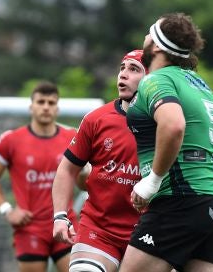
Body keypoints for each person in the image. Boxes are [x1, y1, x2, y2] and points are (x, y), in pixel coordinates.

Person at [121, 13, 213, 272]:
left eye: (150, 32)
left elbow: (174, 126)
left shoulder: (158, 79)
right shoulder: (199, 83)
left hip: (181, 201)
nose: (145, 36)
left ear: (158, 46)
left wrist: (152, 181)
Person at [51, 50, 148, 272]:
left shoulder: (167, 124)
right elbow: (67, 170)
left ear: (151, 80)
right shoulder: (97, 119)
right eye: (122, 68)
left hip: (149, 230)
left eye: (134, 69)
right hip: (99, 230)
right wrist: (59, 216)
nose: (123, 75)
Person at [0, 82, 77, 272]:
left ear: (57, 108)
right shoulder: (11, 140)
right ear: (31, 106)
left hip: (66, 224)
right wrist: (7, 210)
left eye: (51, 102)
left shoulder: (72, 138)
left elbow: (84, 181)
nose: (46, 107)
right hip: (30, 228)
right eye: (41, 102)